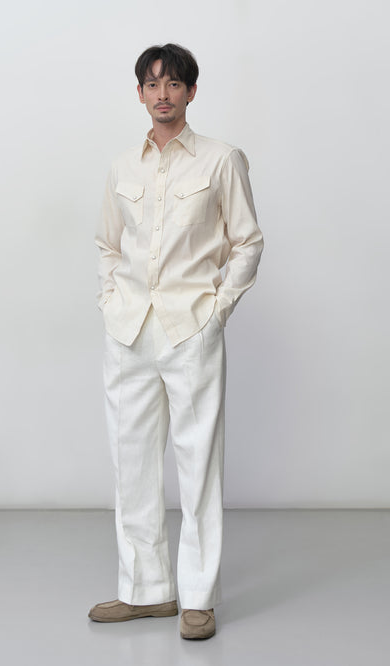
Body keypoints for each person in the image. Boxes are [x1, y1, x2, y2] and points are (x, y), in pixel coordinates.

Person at [90, 43, 264, 640]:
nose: (162, 94)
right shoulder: (122, 167)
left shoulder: (221, 160)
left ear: (191, 92)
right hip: (129, 330)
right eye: (152, 83)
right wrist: (110, 301)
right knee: (131, 464)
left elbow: (247, 241)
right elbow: (107, 244)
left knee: (198, 464)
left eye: (173, 84)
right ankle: (145, 591)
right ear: (139, 93)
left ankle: (198, 598)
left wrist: (217, 311)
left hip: (191, 327)